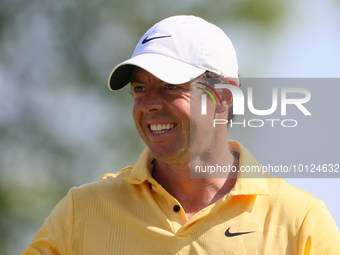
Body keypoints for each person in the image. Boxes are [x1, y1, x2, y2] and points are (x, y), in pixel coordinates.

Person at [23, 15, 339, 255]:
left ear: (224, 98)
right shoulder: (83, 211)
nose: (147, 104)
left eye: (170, 86)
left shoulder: (300, 221)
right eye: (139, 88)